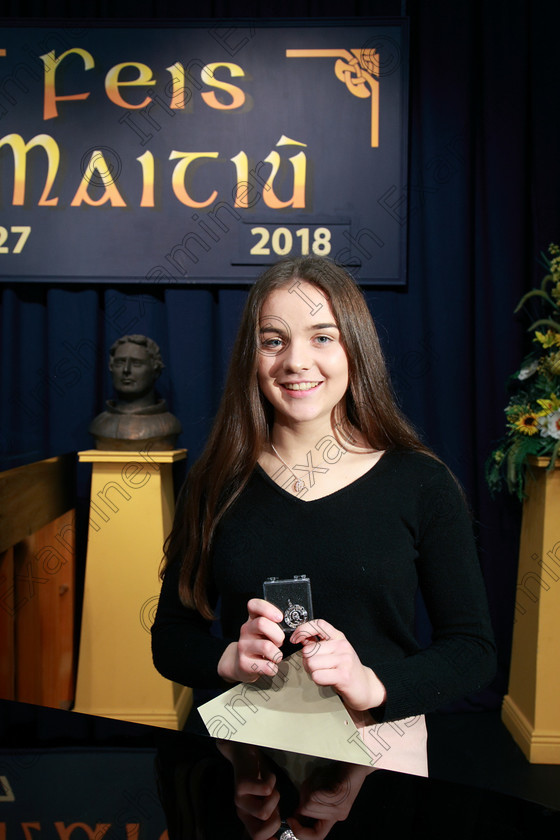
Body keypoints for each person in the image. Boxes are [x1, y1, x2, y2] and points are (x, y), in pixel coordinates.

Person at [151, 256, 496, 776]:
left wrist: (373, 685)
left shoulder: (422, 483)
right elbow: (170, 638)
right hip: (250, 758)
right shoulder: (213, 482)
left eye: (322, 337)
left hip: (378, 749)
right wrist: (228, 659)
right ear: (253, 356)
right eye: (274, 340)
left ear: (354, 348)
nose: (295, 361)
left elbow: (473, 650)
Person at [89, 334, 181, 449]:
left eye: (136, 363)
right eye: (120, 363)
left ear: (156, 371)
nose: (126, 370)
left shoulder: (169, 426)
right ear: (111, 368)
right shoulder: (99, 425)